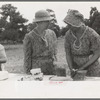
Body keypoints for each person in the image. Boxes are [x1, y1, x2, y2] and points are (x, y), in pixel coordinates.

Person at [63, 9, 100, 77]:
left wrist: (82, 68)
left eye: (70, 25)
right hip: (76, 67)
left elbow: (97, 54)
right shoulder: (68, 35)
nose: (69, 27)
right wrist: (71, 68)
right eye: (68, 25)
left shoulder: (92, 34)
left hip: (91, 67)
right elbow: (68, 54)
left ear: (77, 24)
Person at [23, 10, 57, 75]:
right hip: (37, 70)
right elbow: (27, 57)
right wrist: (27, 73)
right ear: (39, 22)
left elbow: (54, 53)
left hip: (51, 68)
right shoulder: (29, 37)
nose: (49, 23)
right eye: (46, 21)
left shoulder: (52, 33)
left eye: (49, 21)